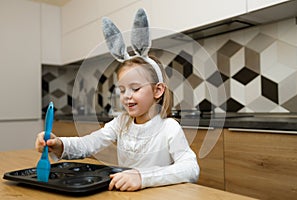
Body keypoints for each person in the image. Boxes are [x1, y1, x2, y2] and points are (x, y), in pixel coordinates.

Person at [35, 8, 200, 192]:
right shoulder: (121, 123)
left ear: (157, 90)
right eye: (122, 90)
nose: (127, 96)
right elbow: (89, 143)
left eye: (135, 88)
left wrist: (142, 177)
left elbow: (191, 169)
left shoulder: (169, 128)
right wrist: (59, 144)